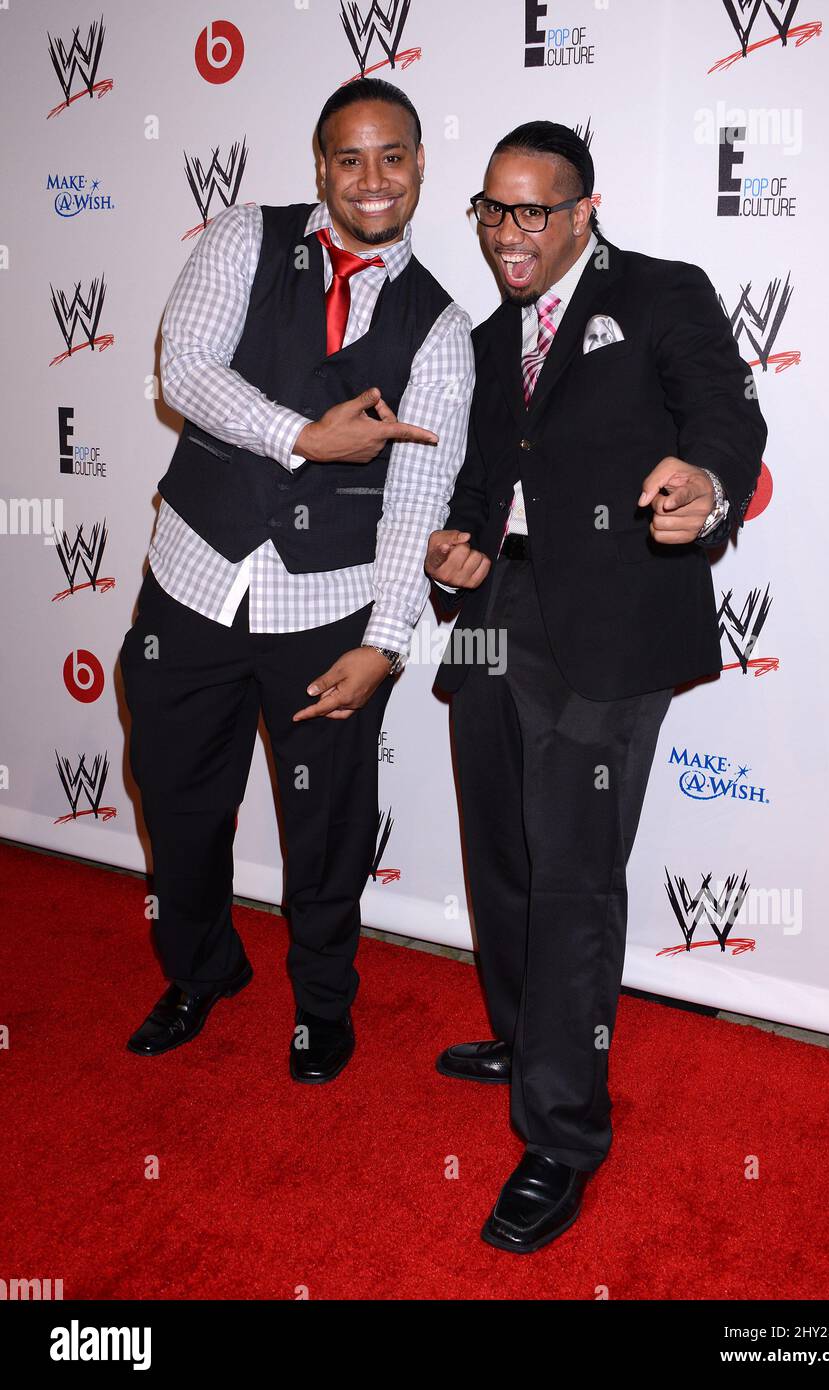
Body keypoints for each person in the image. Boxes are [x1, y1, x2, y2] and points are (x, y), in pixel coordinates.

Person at [425, 122, 766, 1253]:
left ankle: (562, 1134)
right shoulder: (484, 340)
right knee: (498, 847)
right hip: (491, 620)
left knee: (572, 875)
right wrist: (457, 545)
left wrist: (706, 482)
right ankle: (529, 1039)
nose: (509, 234)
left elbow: (726, 416)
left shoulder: (665, 294)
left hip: (610, 625)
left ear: (583, 210)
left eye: (534, 211)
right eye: (493, 210)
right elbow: (483, 482)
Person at [120, 79, 474, 1084]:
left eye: (392, 156)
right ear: (320, 166)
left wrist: (387, 641)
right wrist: (301, 437)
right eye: (349, 158)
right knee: (178, 804)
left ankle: (321, 1003)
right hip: (190, 587)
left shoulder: (439, 330)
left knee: (326, 828)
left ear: (416, 165)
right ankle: (201, 970)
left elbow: (415, 500)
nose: (372, 178)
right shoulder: (244, 237)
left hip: (328, 614)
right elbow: (184, 368)